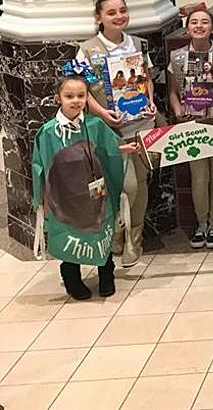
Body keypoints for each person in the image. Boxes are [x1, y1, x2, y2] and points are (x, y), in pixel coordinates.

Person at [32, 75, 137, 299]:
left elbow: (110, 147)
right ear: (58, 98)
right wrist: (40, 198)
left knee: (101, 230)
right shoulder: (48, 132)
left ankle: (106, 274)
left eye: (81, 96)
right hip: (64, 196)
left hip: (95, 192)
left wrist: (123, 149)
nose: (75, 101)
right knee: (69, 232)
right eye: (69, 96)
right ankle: (71, 276)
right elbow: (39, 166)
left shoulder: (94, 124)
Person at [75, 0, 156, 267]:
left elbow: (147, 79)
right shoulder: (87, 50)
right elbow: (81, 92)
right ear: (99, 18)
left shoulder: (139, 44)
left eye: (123, 10)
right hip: (110, 130)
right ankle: (118, 229)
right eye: (111, 13)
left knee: (141, 183)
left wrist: (151, 103)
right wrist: (103, 114)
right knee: (123, 185)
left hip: (142, 124)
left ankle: (135, 238)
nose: (119, 16)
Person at [167, 7, 213, 250]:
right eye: (193, 22)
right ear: (187, 28)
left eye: (204, 22)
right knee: (199, 176)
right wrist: (177, 111)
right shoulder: (176, 57)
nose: (198, 26)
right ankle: (201, 224)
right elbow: (173, 91)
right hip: (191, 123)